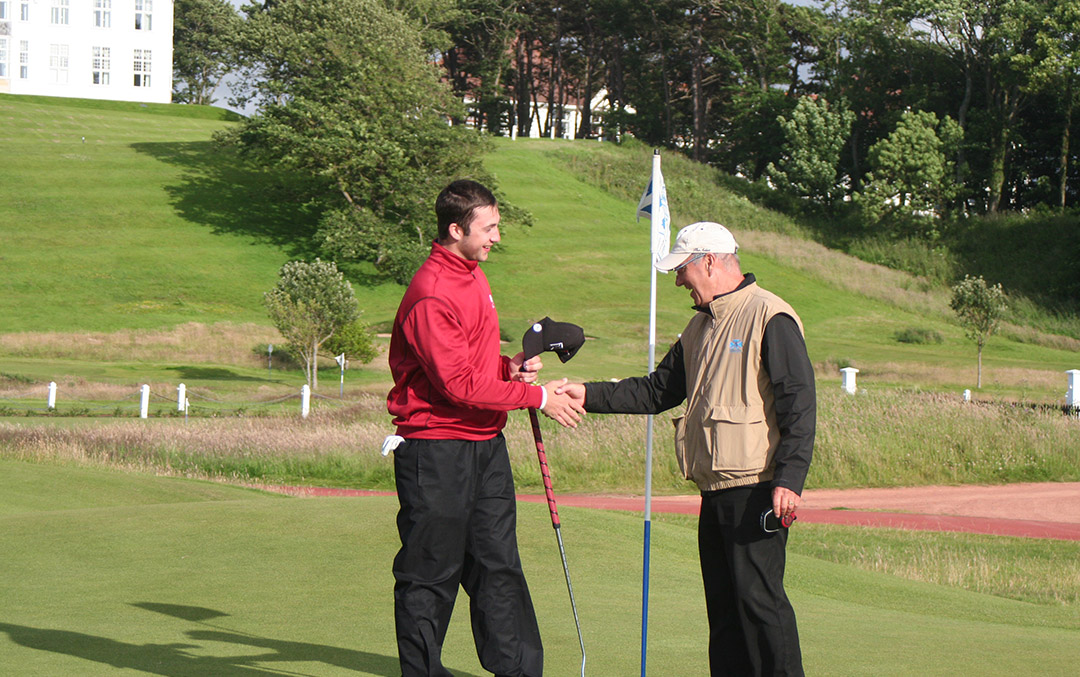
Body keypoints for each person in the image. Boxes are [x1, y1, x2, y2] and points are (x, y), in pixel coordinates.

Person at [559, 221, 816, 676]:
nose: (678, 281)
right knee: (724, 611)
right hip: (715, 490)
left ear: (710, 261)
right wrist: (588, 393)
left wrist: (790, 479)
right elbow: (657, 391)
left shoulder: (769, 315)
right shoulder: (699, 327)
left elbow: (799, 405)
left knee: (759, 605)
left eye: (683, 270)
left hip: (757, 487)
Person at [386, 179, 584, 677]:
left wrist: (509, 368)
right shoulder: (431, 291)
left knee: (498, 566)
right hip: (437, 449)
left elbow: (473, 367)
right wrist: (537, 397)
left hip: (483, 445)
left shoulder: (472, 274)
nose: (497, 236)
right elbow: (456, 385)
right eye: (489, 227)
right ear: (456, 229)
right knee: (431, 573)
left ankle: (518, 671)